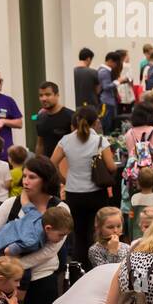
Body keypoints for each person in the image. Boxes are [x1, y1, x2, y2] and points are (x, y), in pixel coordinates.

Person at [0, 156, 70, 304]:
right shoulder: (10, 204)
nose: (25, 181)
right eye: (25, 176)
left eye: (32, 177)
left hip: (42, 280)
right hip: (6, 282)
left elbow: (50, 251)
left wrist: (10, 265)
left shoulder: (60, 209)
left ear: (45, 179)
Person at [51, 105, 115, 266]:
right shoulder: (100, 140)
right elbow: (112, 166)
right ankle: (97, 265)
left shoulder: (65, 140)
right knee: (96, 231)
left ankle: (78, 268)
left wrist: (64, 179)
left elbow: (52, 163)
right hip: (96, 193)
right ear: (95, 123)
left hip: (73, 192)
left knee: (78, 233)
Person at [0, 202, 71, 259]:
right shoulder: (32, 241)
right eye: (61, 235)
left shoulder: (36, 214)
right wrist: (17, 260)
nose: (62, 239)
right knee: (23, 272)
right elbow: (8, 251)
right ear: (48, 228)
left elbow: (26, 204)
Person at [32, 81, 73, 158]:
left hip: (67, 165)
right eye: (41, 95)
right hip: (47, 166)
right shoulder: (41, 118)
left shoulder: (71, 116)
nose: (43, 98)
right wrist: (37, 165)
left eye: (48, 95)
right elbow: (40, 145)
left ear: (57, 95)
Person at [128, 167, 153, 240]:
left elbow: (130, 218)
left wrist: (130, 235)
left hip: (136, 235)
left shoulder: (134, 198)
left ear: (138, 182)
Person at [98, 52, 122, 133]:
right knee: (107, 125)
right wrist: (118, 81)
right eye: (116, 63)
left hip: (108, 101)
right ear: (110, 61)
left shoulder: (105, 71)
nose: (116, 65)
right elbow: (106, 86)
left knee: (110, 124)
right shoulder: (104, 71)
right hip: (106, 102)